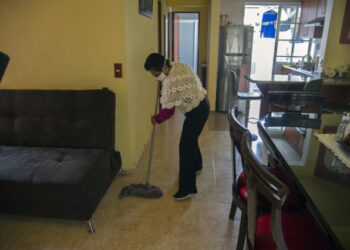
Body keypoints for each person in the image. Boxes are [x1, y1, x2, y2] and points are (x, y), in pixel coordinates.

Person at [144, 53, 210, 201]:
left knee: (185, 146)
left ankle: (187, 189)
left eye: (157, 74)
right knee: (191, 139)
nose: (156, 77)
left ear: (164, 67)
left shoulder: (170, 82)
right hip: (203, 102)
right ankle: (197, 165)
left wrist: (156, 118)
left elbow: (169, 111)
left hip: (197, 111)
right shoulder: (179, 65)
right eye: (153, 75)